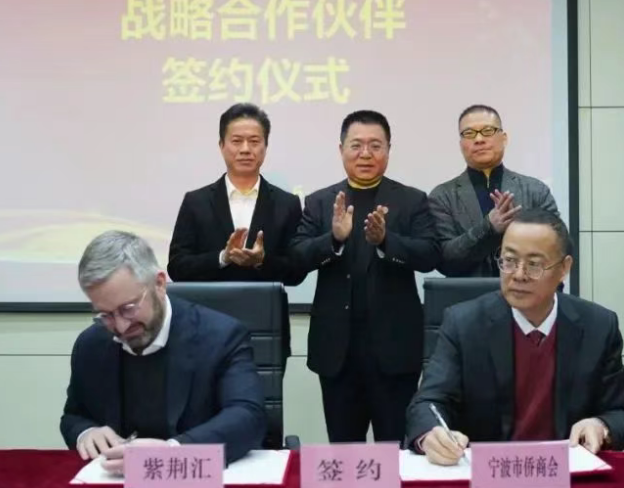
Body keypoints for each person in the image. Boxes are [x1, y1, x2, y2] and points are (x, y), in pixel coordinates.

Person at [404, 209, 624, 463]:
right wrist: (431, 434)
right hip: (489, 471)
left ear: (564, 268)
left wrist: (601, 425)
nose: (519, 275)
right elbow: (428, 404)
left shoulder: (598, 326)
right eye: (509, 261)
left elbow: (620, 414)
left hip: (565, 471)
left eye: (534, 264)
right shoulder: (464, 324)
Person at [61, 230, 266, 474]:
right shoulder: (90, 345)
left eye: (128, 308)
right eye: (106, 314)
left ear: (159, 283)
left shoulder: (221, 336)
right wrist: (86, 432)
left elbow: (248, 416)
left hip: (196, 476)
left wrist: (173, 452)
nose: (121, 327)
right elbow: (73, 416)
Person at [291, 110, 440, 444]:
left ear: (388, 149)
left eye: (375, 145)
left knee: (397, 448)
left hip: (395, 350)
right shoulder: (319, 202)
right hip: (337, 352)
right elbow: (297, 258)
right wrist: (333, 239)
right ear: (341, 149)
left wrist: (386, 241)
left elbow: (430, 254)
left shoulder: (412, 200)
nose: (366, 154)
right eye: (356, 145)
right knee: (345, 451)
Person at [167, 103, 305, 370]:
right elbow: (177, 266)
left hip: (265, 325)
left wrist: (262, 261)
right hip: (205, 326)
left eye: (254, 141)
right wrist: (223, 257)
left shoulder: (287, 204)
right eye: (236, 141)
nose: (245, 149)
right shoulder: (196, 202)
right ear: (221, 146)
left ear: (265, 146)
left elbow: (297, 271)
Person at [429, 105, 558, 277]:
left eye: (488, 131)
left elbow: (556, 247)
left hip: (527, 289)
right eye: (469, 133)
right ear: (461, 145)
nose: (479, 139)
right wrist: (488, 227)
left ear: (504, 138)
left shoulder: (535, 190)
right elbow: (443, 260)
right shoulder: (442, 196)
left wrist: (517, 229)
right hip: (468, 292)